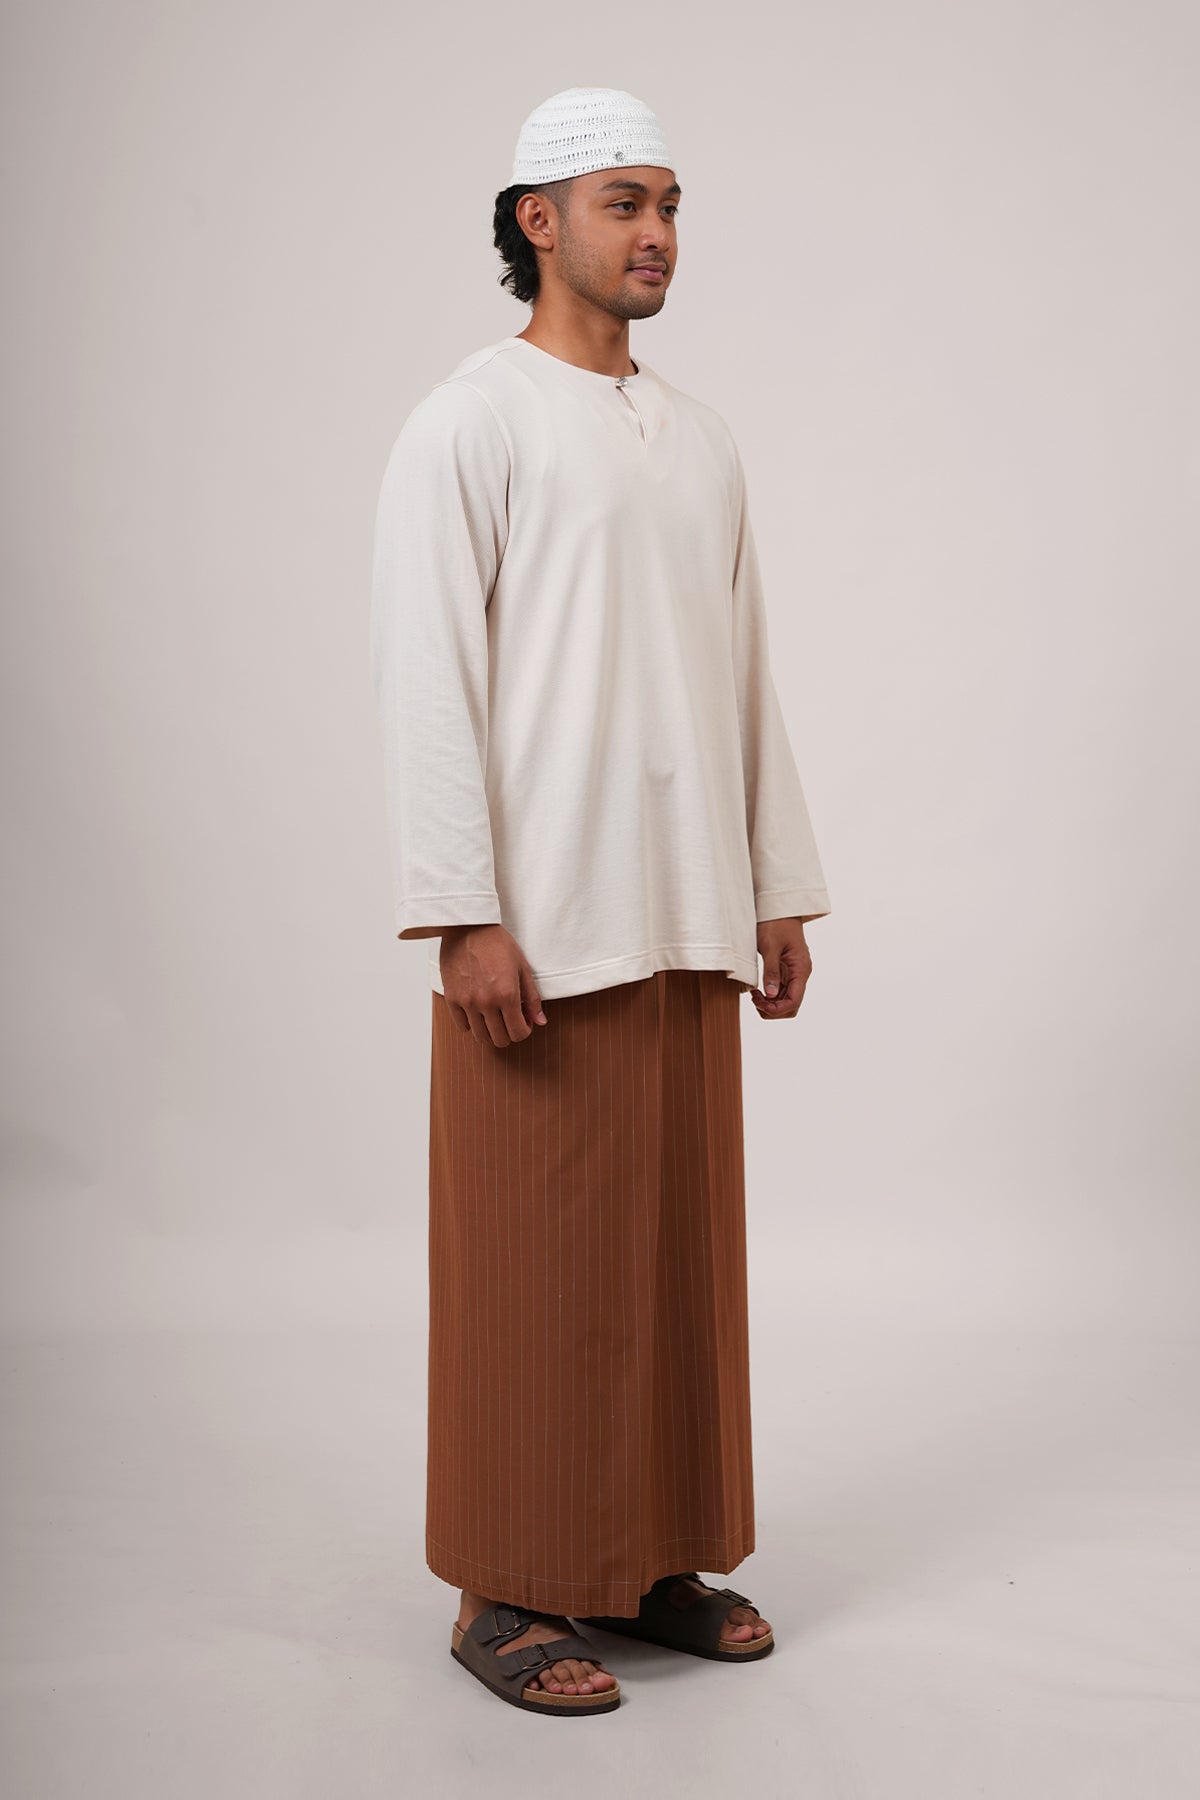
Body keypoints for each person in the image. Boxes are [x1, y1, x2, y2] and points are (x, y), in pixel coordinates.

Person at [369, 85, 832, 1717]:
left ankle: (648, 1560)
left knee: (671, 1259)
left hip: (688, 906)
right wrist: (460, 910)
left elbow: (744, 663)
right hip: (544, 923)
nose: (659, 235)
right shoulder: (470, 422)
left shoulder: (697, 436)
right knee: (536, 1262)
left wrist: (775, 885)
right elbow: (427, 676)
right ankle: (505, 1587)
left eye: (672, 204)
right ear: (538, 220)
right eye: (626, 202)